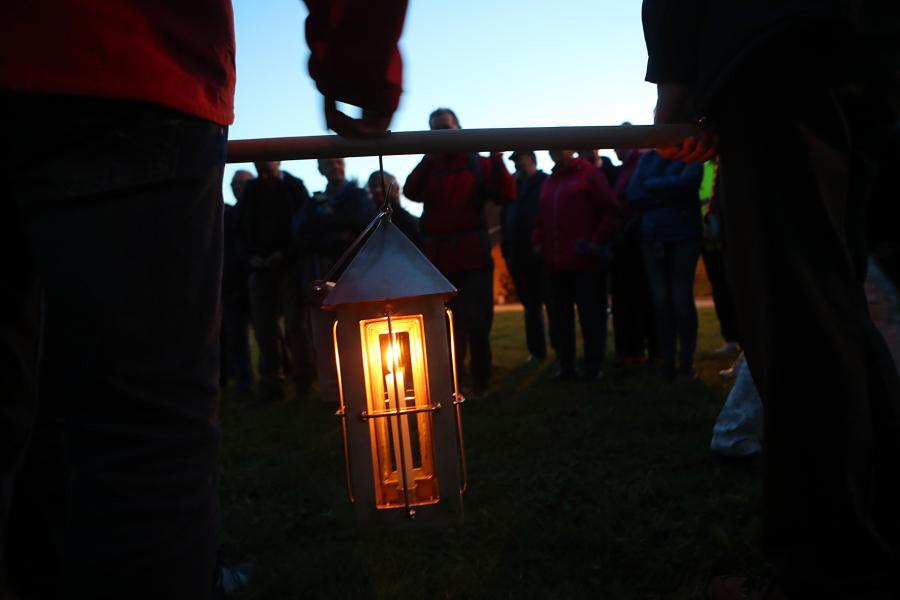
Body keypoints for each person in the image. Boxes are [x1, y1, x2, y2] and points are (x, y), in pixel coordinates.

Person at [0, 2, 408, 598]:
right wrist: (359, 62)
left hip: (118, 68)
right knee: (141, 427)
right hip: (126, 62)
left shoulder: (296, 193)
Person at [643, 1, 900, 598]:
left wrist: (677, 85)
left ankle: (828, 567)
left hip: (771, 42)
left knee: (798, 322)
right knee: (835, 304)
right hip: (862, 45)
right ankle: (872, 533)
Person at [404, 108, 516, 398]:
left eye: (446, 128)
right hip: (440, 260)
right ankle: (452, 384)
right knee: (443, 327)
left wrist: (496, 158)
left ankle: (480, 383)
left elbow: (506, 193)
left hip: (474, 258)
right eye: (435, 130)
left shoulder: (477, 163)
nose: (440, 135)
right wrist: (427, 156)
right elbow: (410, 191)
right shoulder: (431, 166)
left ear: (459, 129)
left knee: (478, 324)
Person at [533, 149, 620, 382]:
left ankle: (594, 365)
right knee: (560, 318)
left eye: (559, 148)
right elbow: (541, 217)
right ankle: (566, 365)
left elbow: (610, 210)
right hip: (556, 263)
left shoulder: (589, 174)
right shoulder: (550, 181)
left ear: (570, 150)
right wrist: (538, 241)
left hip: (585, 262)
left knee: (591, 315)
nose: (555, 154)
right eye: (551, 150)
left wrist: (596, 241)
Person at [237, 161, 313, 402]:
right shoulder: (252, 191)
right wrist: (252, 256)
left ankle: (303, 382)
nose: (264, 163)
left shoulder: (294, 187)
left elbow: (304, 227)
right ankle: (272, 383)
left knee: (295, 326)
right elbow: (241, 228)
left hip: (288, 266)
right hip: (260, 268)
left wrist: (286, 254)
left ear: (278, 161)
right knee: (264, 329)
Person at [627, 150, 704, 380]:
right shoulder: (648, 158)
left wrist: (652, 185)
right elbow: (633, 193)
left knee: (681, 299)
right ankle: (668, 362)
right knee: (661, 301)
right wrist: (670, 190)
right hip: (653, 236)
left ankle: (686, 363)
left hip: (684, 234)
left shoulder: (692, 154)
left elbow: (688, 183)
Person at [609, 138, 657, 368]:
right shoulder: (626, 168)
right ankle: (637, 350)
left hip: (638, 238)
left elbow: (636, 195)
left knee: (643, 296)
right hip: (628, 238)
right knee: (632, 298)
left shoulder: (640, 162)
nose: (616, 150)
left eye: (619, 145)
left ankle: (655, 351)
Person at [502, 150, 551, 362]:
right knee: (530, 306)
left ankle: (559, 349)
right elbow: (506, 218)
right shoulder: (513, 187)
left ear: (531, 160)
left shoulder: (545, 182)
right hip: (518, 254)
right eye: (514, 162)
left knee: (553, 302)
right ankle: (537, 350)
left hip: (542, 252)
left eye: (519, 160)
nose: (516, 165)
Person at [222, 169, 256, 395]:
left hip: (255, 278)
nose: (237, 187)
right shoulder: (226, 215)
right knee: (235, 337)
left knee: (268, 334)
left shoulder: (257, 213)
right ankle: (244, 382)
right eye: (234, 183)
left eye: (243, 183)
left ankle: (279, 375)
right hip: (232, 284)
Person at [367, 170, 421, 246]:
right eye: (373, 186)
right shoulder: (365, 217)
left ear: (396, 189)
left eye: (383, 186)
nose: (377, 190)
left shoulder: (405, 220)